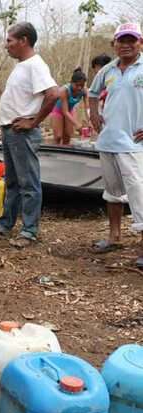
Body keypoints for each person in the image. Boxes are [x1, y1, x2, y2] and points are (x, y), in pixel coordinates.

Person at [0, 22, 58, 248]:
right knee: (12, 181)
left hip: (22, 133)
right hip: (10, 130)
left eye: (10, 40)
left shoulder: (35, 65)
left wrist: (34, 121)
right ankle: (6, 222)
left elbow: (52, 94)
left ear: (24, 40)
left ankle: (29, 230)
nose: (6, 45)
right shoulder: (21, 65)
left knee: (28, 182)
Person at [88, 22, 143, 267]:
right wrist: (93, 115)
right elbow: (92, 93)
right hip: (108, 140)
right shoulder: (108, 70)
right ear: (115, 44)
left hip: (134, 144)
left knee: (139, 195)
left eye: (132, 40)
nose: (126, 45)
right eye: (122, 40)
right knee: (112, 193)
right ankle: (115, 237)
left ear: (140, 42)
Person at [48, 68, 87, 145]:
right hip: (58, 111)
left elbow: (87, 108)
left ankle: (65, 155)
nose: (79, 88)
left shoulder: (84, 91)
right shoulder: (64, 90)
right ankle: (55, 154)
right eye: (77, 85)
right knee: (58, 136)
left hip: (70, 111)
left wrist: (90, 122)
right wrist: (77, 124)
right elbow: (65, 111)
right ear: (71, 82)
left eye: (81, 86)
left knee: (68, 135)